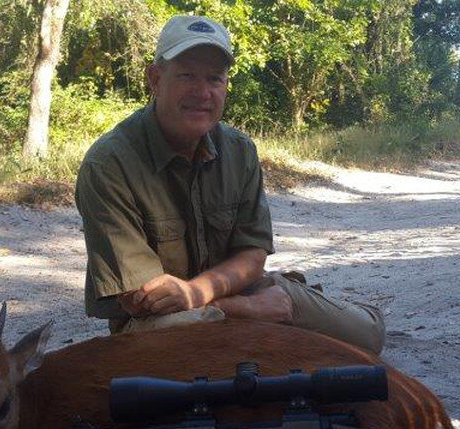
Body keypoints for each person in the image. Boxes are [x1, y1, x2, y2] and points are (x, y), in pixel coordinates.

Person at [74, 14, 386, 353]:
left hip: (232, 293)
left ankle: (287, 309)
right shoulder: (108, 165)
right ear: (155, 78)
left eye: (214, 78)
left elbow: (252, 256)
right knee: (180, 339)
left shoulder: (240, 151)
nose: (202, 92)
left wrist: (205, 294)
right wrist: (250, 310)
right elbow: (142, 298)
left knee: (368, 337)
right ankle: (265, 321)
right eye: (187, 76)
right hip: (159, 324)